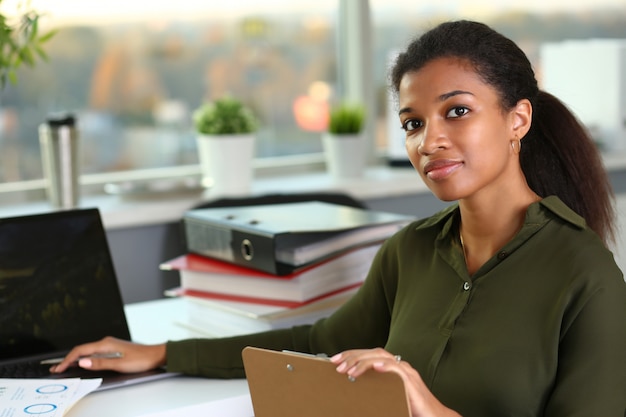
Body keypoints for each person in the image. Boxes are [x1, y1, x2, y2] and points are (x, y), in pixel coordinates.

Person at [51, 20, 626, 416]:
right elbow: (318, 343)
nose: (430, 141)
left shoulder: (587, 278)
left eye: (457, 111)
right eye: (412, 123)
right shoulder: (412, 251)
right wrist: (161, 352)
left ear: (517, 119)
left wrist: (424, 405)